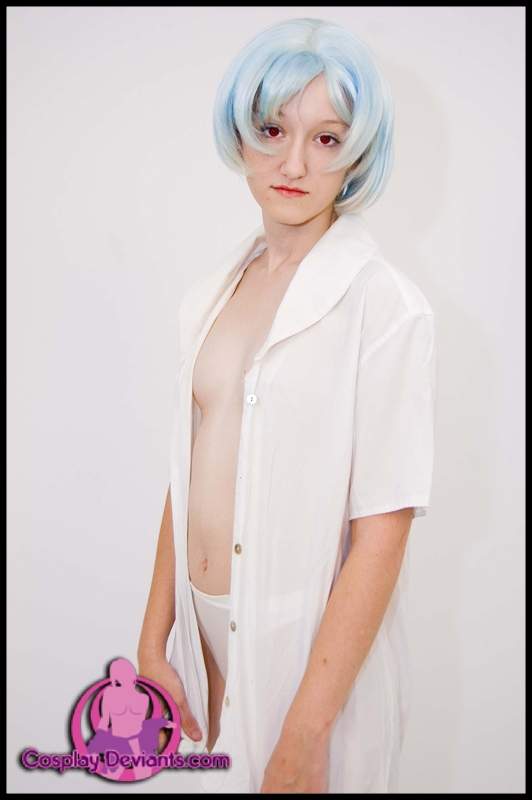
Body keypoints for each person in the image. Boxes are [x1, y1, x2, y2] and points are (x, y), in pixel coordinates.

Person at [137, 17, 437, 793]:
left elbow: (382, 532)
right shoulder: (210, 296)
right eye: (273, 130)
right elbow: (188, 470)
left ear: (358, 153)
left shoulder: (385, 308)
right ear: (241, 133)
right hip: (205, 643)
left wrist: (307, 733)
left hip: (308, 659)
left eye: (327, 139)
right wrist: (153, 639)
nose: (294, 163)